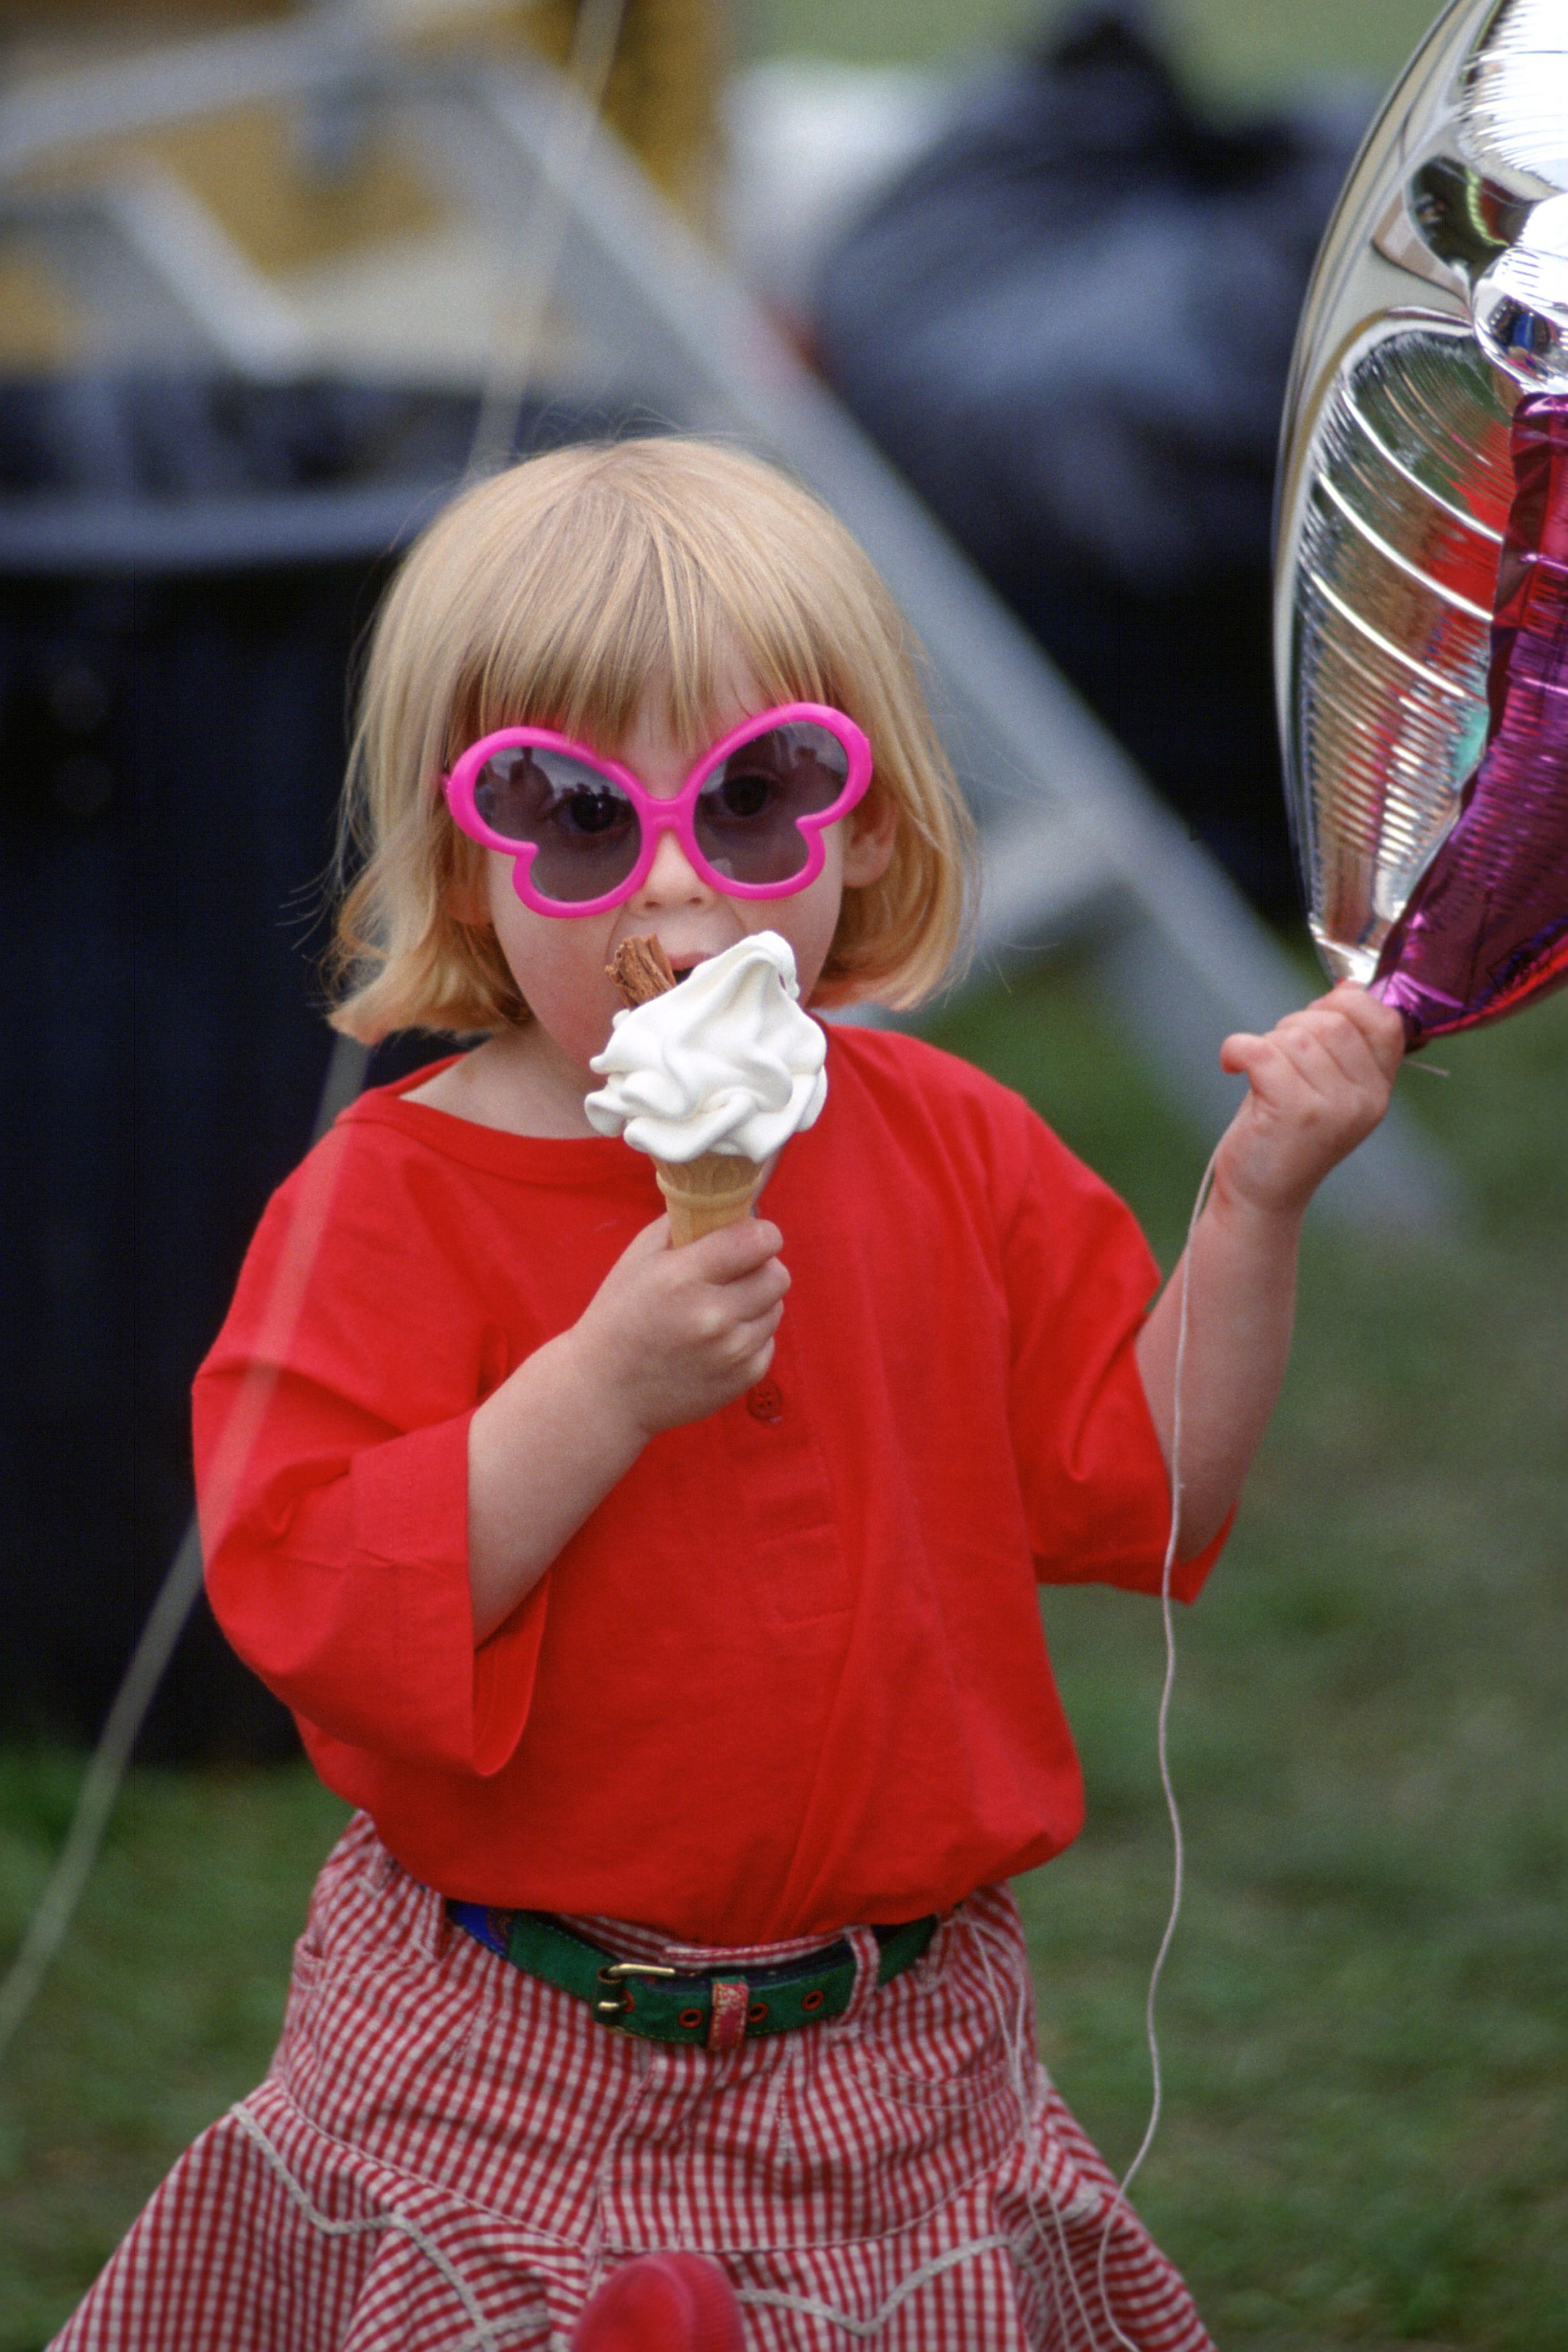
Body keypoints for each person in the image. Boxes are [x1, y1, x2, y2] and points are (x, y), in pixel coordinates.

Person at [52, 438, 1403, 2352]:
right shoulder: (386, 1204)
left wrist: (1255, 1205)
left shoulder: (955, 1147)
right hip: (502, 2036)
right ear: (466, 858)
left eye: (757, 797)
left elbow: (1149, 1484)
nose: (675, 895)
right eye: (578, 818)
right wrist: (598, 1384)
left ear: (861, 831)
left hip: (900, 2059)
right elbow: (314, 1603)